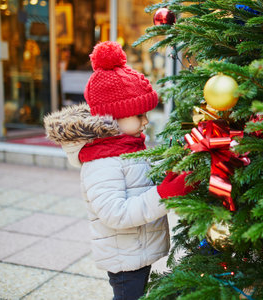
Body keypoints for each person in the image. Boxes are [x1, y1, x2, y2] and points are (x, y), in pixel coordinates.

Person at [44, 41, 194, 300]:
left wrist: (171, 169)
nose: (146, 120)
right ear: (114, 116)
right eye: (139, 114)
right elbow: (116, 213)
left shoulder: (128, 146)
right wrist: (165, 194)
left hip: (136, 250)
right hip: (124, 259)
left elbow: (139, 179)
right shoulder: (101, 161)